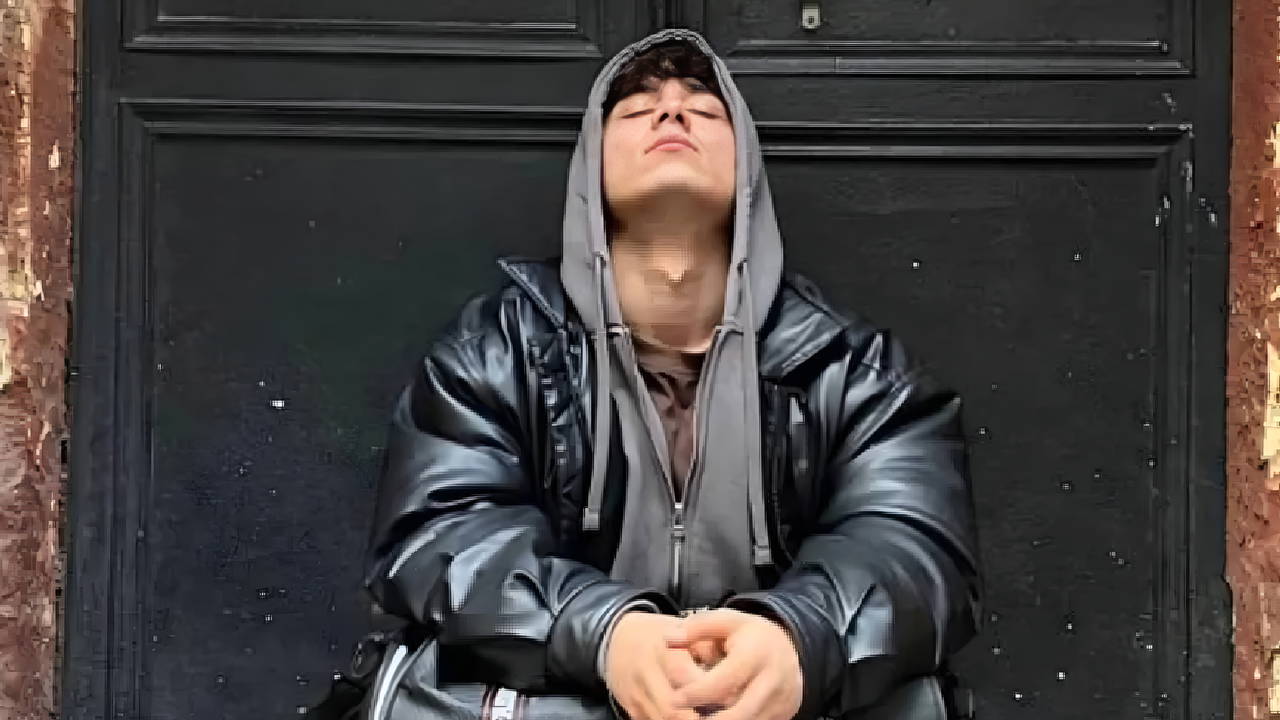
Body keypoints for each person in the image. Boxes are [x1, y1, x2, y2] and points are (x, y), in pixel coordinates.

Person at [363, 28, 982, 720]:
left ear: (747, 169)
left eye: (704, 107)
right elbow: (446, 532)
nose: (671, 109)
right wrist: (606, 635)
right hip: (568, 690)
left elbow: (913, 544)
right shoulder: (497, 350)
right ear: (590, 170)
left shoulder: (858, 369)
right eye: (636, 107)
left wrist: (799, 640)